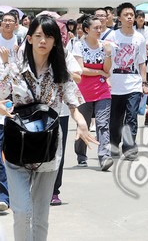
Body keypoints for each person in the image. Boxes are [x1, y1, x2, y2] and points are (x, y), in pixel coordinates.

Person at [0, 15, 97, 241]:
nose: (43, 40)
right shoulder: (14, 68)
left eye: (49, 36)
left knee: (41, 216)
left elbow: (73, 103)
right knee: (23, 211)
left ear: (56, 41)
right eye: (38, 35)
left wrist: (82, 125)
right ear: (30, 39)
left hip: (48, 149)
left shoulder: (60, 72)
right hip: (18, 148)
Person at [107, 2, 148, 160]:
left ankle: (130, 148)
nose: (130, 17)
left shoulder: (140, 38)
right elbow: (107, 58)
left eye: (132, 15)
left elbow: (141, 62)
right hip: (115, 86)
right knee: (115, 120)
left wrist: (144, 83)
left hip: (134, 84)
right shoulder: (112, 36)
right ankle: (113, 146)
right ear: (120, 18)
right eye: (126, 15)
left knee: (131, 118)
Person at [72, 15, 114, 171]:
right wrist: (100, 73)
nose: (99, 30)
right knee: (84, 125)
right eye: (96, 28)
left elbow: (106, 69)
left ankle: (104, 157)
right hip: (83, 92)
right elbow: (80, 69)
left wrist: (108, 53)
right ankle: (81, 156)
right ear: (86, 30)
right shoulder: (78, 45)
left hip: (102, 91)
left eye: (101, 27)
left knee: (103, 125)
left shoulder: (105, 45)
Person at [0, 12, 19, 212]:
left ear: (15, 25)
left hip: (13, 99)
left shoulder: (20, 42)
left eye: (10, 21)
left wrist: (8, 62)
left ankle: (7, 195)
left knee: (10, 146)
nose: (7, 24)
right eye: (4, 21)